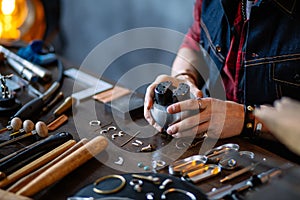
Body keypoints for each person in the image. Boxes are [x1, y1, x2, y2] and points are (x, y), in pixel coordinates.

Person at [144, 0, 300, 139]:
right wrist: (184, 76)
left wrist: (248, 119)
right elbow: (196, 40)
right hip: (215, 145)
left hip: (281, 160)